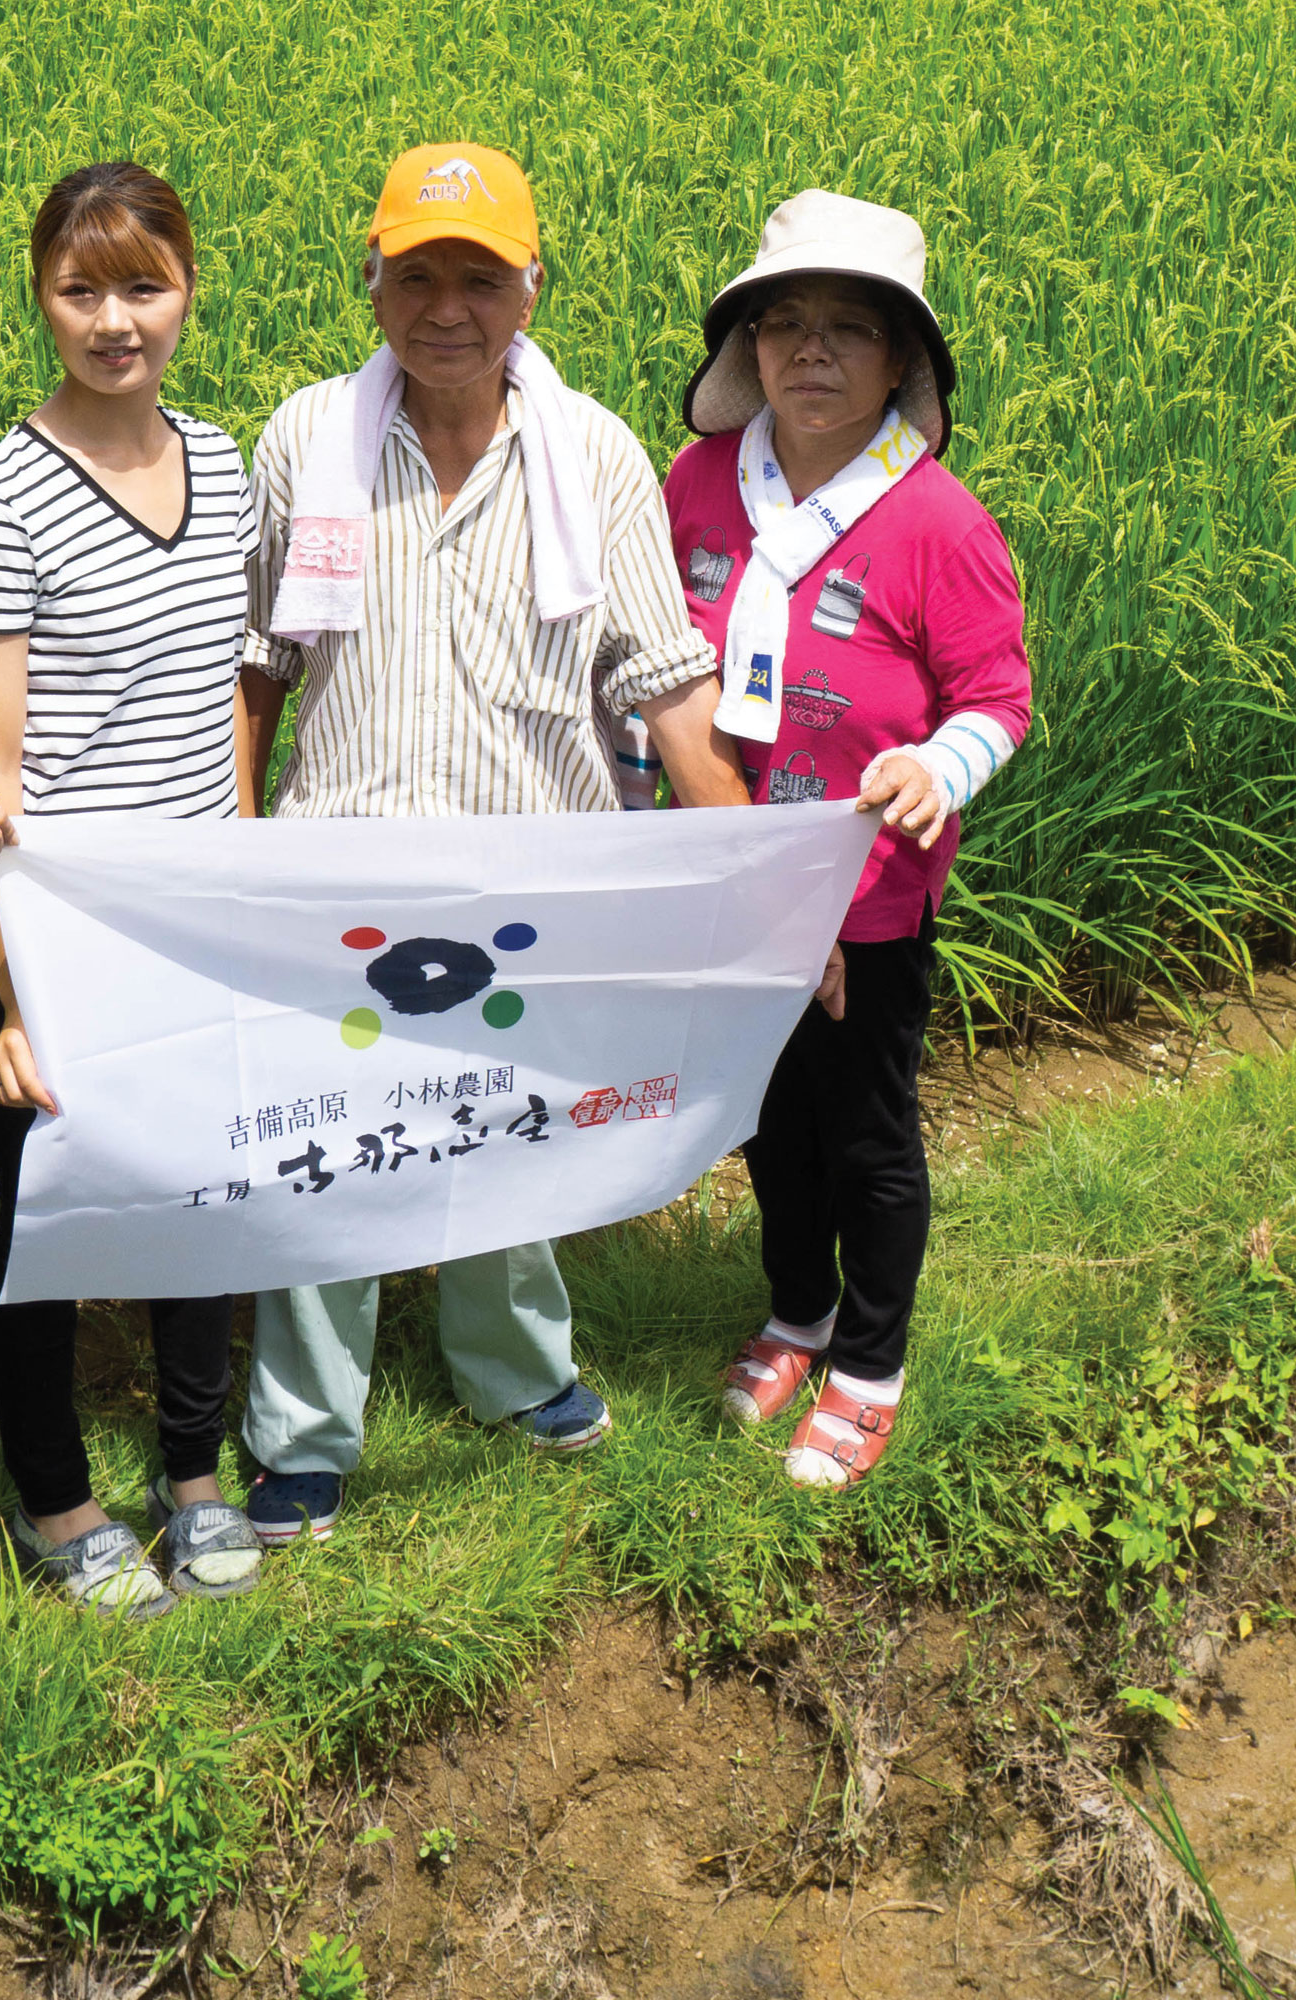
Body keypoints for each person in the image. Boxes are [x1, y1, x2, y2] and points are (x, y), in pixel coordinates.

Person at [232, 142, 753, 1545]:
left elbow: (664, 679)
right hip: (340, 871)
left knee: (508, 1134)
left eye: (477, 275)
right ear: (372, 281)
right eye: (415, 274)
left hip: (533, 881)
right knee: (330, 1151)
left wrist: (759, 890)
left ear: (532, 284)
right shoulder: (308, 440)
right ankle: (302, 1429)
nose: (444, 305)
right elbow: (260, 670)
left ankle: (514, 1371)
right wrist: (235, 852)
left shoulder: (593, 455)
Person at [0, 163, 265, 1619]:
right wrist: (13, 1000)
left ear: (190, 288)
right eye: (82, 290)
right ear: (40, 300)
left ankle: (194, 1476)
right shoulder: (4, 504)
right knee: (49, 1222)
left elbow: (224, 704)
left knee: (203, 1191)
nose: (115, 320)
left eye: (144, 285)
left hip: (192, 913)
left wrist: (242, 888)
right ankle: (60, 1505)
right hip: (48, 928)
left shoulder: (226, 460)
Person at [664, 190, 1033, 1487]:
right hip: (728, 880)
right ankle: (797, 1311)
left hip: (866, 898)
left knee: (866, 1132)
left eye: (849, 330)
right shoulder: (702, 485)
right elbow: (655, 663)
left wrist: (940, 767)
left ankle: (869, 1363)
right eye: (784, 323)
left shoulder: (940, 523)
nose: (810, 352)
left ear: (902, 363)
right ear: (746, 348)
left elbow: (1001, 700)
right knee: (766, 1115)